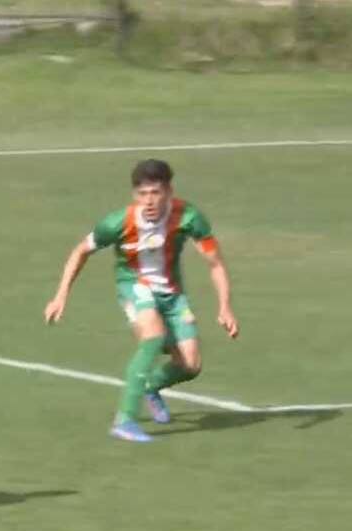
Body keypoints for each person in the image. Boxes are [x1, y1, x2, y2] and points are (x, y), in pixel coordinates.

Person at [44, 159, 239, 442]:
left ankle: (148, 386)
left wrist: (224, 306)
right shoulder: (118, 222)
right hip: (134, 287)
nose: (149, 200)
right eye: (143, 194)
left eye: (156, 193)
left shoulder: (188, 217)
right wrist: (61, 295)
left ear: (169, 191)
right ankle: (125, 420)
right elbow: (80, 252)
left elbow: (215, 263)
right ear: (135, 195)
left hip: (172, 294)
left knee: (191, 365)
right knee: (154, 336)